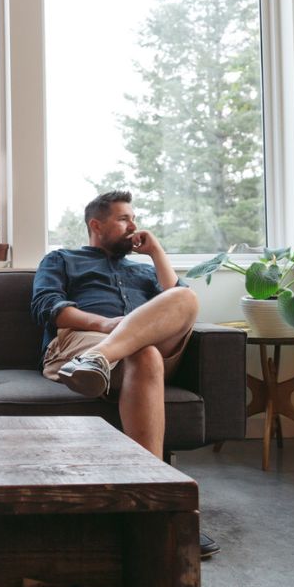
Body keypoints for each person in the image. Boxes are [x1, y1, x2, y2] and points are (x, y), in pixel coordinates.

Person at [31, 190, 219, 558]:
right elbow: (46, 307)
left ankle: (99, 359)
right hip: (83, 339)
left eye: (133, 218)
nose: (133, 225)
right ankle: (153, 503)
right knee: (144, 354)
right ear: (96, 226)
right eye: (123, 219)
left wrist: (156, 252)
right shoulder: (62, 259)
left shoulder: (144, 270)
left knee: (187, 298)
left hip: (110, 351)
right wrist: (105, 325)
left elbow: (177, 302)